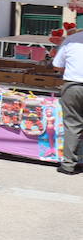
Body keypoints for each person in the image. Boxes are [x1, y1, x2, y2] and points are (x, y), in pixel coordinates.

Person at [53, 25, 83, 174]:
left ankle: (68, 165)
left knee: (72, 125)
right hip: (74, 86)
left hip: (73, 87)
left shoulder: (71, 40)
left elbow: (57, 65)